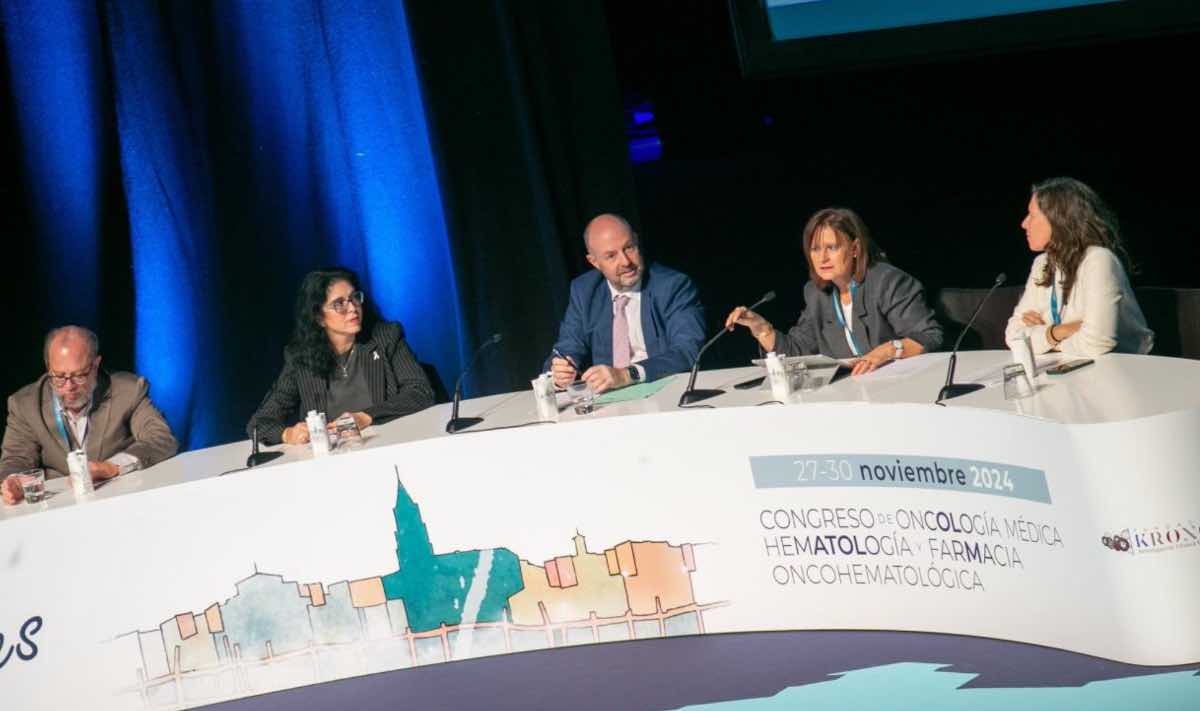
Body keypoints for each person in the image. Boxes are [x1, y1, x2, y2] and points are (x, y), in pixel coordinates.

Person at [725, 207, 943, 375]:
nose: (822, 258)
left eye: (832, 247)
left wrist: (887, 351)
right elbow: (798, 352)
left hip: (902, 382)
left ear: (855, 248)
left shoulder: (887, 281)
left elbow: (929, 337)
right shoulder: (816, 293)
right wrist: (763, 330)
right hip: (852, 391)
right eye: (815, 249)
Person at [248, 268, 435, 445]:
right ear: (319, 318)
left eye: (354, 298)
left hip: (389, 444)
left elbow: (420, 391)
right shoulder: (300, 359)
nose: (353, 308)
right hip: (332, 461)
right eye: (339, 304)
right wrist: (287, 434)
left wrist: (365, 416)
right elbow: (258, 423)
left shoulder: (385, 337)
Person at [1, 326, 178, 504]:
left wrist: (111, 467)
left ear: (95, 364)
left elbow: (161, 438)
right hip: (59, 507)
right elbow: (16, 459)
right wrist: (14, 480)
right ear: (48, 367)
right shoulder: (24, 405)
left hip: (120, 499)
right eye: (59, 376)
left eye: (79, 376)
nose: (69, 387)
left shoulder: (129, 390)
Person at [547, 214, 706, 393]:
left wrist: (627, 375)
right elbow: (566, 348)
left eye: (629, 248)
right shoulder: (584, 291)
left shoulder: (672, 285)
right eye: (611, 256)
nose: (626, 262)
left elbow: (688, 351)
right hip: (609, 400)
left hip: (666, 391)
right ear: (594, 262)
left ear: (637, 241)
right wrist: (560, 372)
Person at [1005, 177, 1153, 356]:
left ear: (1057, 219)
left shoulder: (1099, 260)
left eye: (1032, 215)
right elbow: (1013, 336)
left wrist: (1042, 338)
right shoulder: (1042, 263)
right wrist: (1060, 331)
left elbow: (1098, 343)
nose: (1024, 223)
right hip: (1072, 367)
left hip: (1125, 368)